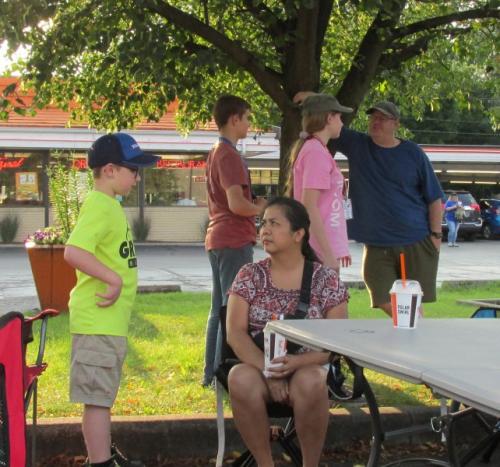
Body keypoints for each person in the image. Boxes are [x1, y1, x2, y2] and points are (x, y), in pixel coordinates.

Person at [294, 94, 444, 317]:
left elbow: (435, 198)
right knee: (383, 297)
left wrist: (436, 235)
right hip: (376, 244)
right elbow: (323, 118)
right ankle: (412, 328)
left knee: (412, 300)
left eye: (383, 118)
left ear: (396, 124)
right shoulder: (357, 144)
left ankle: (412, 338)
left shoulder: (413, 153)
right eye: (373, 117)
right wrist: (312, 97)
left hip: (415, 239)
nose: (376, 121)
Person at [226, 197, 348, 467]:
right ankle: (265, 463)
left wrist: (297, 363)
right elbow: (235, 333)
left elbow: (339, 342)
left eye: (274, 223)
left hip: (309, 367)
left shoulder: (325, 279)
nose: (264, 230)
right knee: (238, 377)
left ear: (298, 234)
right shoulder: (249, 275)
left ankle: (310, 464)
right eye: (262, 223)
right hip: (259, 368)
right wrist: (271, 373)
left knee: (311, 380)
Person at [64, 133, 159, 467]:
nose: (137, 176)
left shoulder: (109, 206)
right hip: (97, 321)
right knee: (97, 400)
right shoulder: (99, 206)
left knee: (101, 397)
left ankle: (102, 456)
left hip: (108, 322)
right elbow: (73, 251)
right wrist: (113, 278)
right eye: (132, 169)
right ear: (108, 170)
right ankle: (100, 462)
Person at [203, 95, 267, 387]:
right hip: (233, 239)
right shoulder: (229, 155)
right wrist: (264, 208)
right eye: (247, 118)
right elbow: (237, 205)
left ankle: (211, 374)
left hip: (218, 238)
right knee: (231, 312)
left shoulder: (216, 151)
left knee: (219, 309)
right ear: (234, 119)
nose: (249, 124)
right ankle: (220, 377)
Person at [288, 93, 354, 272]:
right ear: (329, 117)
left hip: (321, 250)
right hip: (318, 253)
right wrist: (327, 254)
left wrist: (338, 247)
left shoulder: (317, 149)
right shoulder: (315, 153)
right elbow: (309, 205)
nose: (342, 122)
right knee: (323, 300)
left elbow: (326, 205)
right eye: (340, 117)